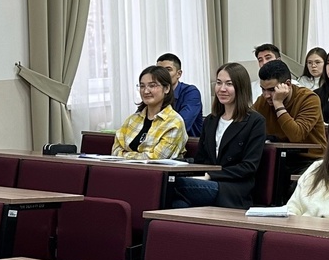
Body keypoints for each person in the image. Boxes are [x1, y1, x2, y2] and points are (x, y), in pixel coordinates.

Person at [169, 63, 266, 209]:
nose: (222, 89)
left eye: (229, 84)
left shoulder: (255, 121)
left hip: (233, 188)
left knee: (175, 184)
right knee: (176, 202)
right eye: (219, 83)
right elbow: (200, 159)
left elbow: (248, 167)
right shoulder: (210, 120)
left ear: (241, 87)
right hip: (206, 182)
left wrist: (210, 175)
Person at [253, 58, 325, 171]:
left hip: (310, 161)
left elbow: (296, 136)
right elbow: (247, 124)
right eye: (263, 89)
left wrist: (278, 103)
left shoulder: (309, 99)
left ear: (287, 84)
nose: (266, 95)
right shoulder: (263, 101)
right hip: (278, 157)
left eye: (272, 89)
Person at [111, 65, 187, 160]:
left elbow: (157, 158)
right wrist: (139, 156)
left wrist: (124, 155)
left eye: (152, 85)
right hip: (124, 168)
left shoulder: (174, 122)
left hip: (154, 170)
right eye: (142, 86)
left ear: (167, 88)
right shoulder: (132, 119)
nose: (146, 91)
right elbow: (115, 151)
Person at [156, 53, 203, 138]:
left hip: (189, 143)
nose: (162, 74)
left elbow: (181, 124)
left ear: (179, 74)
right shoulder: (154, 93)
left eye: (168, 70)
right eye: (159, 71)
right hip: (157, 141)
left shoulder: (191, 92)